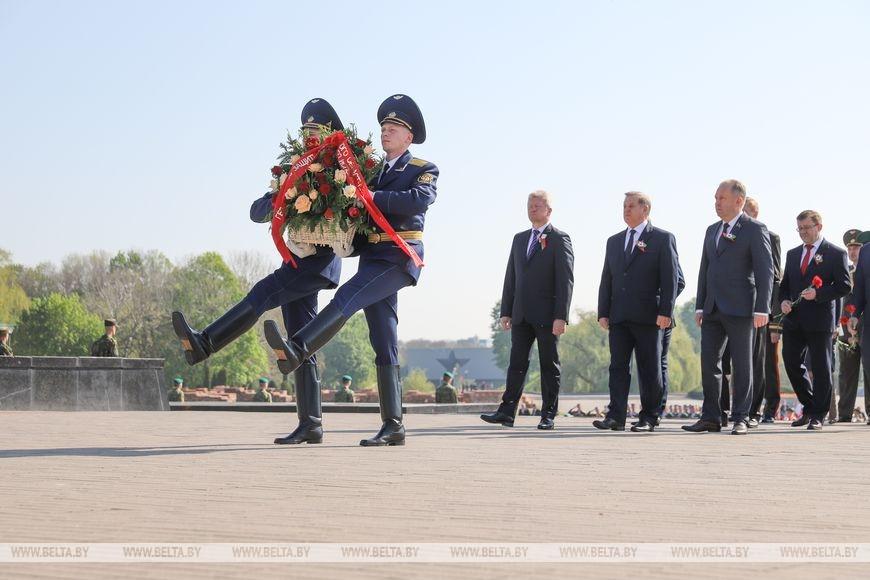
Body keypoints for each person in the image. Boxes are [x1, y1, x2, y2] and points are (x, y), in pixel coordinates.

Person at [264, 94, 438, 447]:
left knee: (348, 295)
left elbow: (418, 201)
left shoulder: (423, 168)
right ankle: (394, 425)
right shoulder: (371, 172)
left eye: (393, 128)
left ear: (409, 137)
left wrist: (373, 197)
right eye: (383, 127)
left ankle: (298, 347)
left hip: (398, 257)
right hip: (372, 256)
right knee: (383, 340)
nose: (385, 132)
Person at [173, 98, 345, 445]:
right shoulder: (295, 169)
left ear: (329, 133)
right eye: (305, 130)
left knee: (262, 294)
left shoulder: (335, 170)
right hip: (296, 261)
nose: (309, 136)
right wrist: (284, 197)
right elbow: (256, 211)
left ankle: (205, 343)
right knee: (300, 341)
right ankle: (311, 424)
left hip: (317, 263)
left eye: (315, 130)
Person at [683, 179, 773, 435]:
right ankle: (711, 416)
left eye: (721, 198)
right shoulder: (712, 230)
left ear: (739, 201)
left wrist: (762, 308)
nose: (717, 203)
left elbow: (765, 271)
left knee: (743, 365)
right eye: (715, 198)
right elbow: (705, 269)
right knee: (710, 363)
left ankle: (741, 417)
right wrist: (700, 305)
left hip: (742, 308)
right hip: (712, 308)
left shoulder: (754, 229)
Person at [480, 190, 574, 430]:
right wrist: (506, 310)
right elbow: (511, 276)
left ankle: (548, 415)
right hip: (520, 313)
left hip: (547, 315)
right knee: (516, 364)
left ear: (549, 211)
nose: (532, 209)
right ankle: (507, 412)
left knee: (548, 366)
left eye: (537, 206)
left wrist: (561, 316)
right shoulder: (520, 239)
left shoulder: (559, 239)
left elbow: (565, 280)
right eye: (530, 205)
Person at [593, 192, 679, 432]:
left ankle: (649, 417)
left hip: (649, 316)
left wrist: (666, 311)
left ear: (645, 209)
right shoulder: (614, 241)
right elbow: (607, 278)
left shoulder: (662, 238)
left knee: (649, 368)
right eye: (624, 206)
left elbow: (671, 279)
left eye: (631, 206)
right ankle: (615, 416)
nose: (626, 210)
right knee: (617, 367)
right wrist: (603, 311)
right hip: (619, 315)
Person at [779, 210, 851, 430]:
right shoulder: (793, 254)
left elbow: (844, 286)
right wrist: (783, 301)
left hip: (820, 320)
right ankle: (809, 406)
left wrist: (819, 294)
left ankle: (818, 414)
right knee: (791, 361)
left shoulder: (836, 253)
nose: (803, 232)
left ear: (819, 226)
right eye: (799, 229)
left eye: (807, 228)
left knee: (821, 368)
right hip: (794, 319)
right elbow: (785, 285)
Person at [836, 229, 866, 422]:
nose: (853, 251)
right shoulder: (844, 271)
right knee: (846, 373)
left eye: (857, 247)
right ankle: (844, 413)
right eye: (850, 248)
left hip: (866, 326)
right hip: (846, 328)